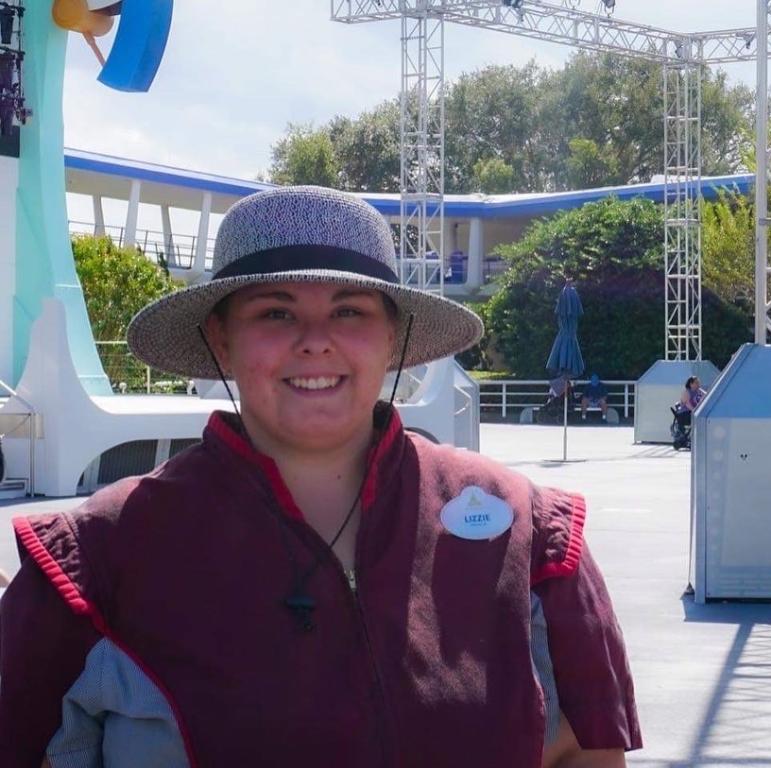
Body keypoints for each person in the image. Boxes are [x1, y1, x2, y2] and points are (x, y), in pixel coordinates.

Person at [0, 187, 641, 766]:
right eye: (275, 313)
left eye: (351, 311)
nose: (315, 340)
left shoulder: (529, 534)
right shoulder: (97, 560)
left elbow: (584, 752)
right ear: (221, 340)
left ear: (394, 337)